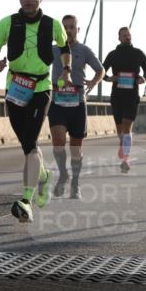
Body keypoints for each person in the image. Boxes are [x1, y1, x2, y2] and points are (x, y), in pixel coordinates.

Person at [0, 0, 71, 223]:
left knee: (31, 142)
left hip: (41, 88)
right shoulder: (8, 22)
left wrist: (66, 68)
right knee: (25, 142)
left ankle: (26, 199)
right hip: (15, 87)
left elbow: (64, 47)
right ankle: (43, 175)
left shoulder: (52, 24)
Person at [49, 14, 104, 197]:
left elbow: (100, 69)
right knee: (57, 142)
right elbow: (38, 66)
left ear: (77, 30)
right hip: (57, 102)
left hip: (77, 103)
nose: (68, 30)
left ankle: (75, 183)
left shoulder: (84, 50)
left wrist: (94, 82)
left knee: (75, 148)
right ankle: (63, 174)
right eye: (65, 27)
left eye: (71, 27)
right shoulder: (53, 50)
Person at [102, 26, 146, 175]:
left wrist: (144, 77)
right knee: (120, 130)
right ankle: (123, 144)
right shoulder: (113, 54)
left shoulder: (138, 53)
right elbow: (101, 70)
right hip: (117, 95)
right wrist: (109, 78)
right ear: (119, 38)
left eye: (128, 34)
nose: (127, 37)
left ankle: (126, 159)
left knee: (127, 128)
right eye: (123, 35)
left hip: (132, 95)